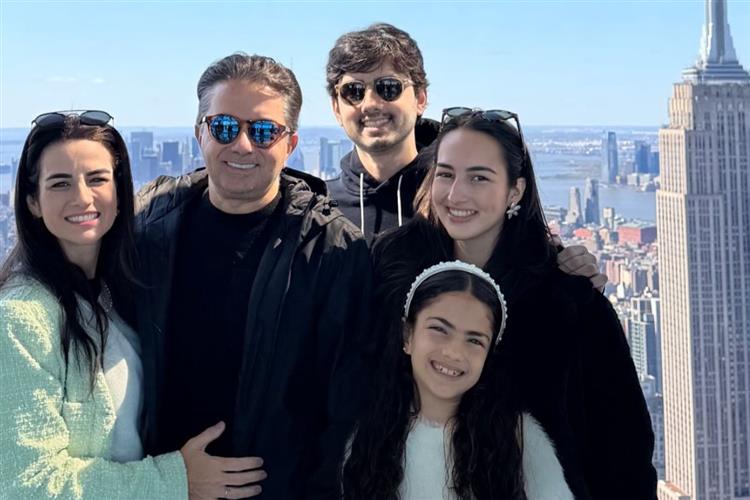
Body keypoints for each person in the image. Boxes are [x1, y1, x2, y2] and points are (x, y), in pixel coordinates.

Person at [371, 108, 657, 499]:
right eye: (446, 174)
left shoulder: (567, 303)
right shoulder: (392, 277)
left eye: (479, 178)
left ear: (515, 191)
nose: (456, 195)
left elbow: (623, 449)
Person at [133, 54, 372, 499]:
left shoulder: (333, 251)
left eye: (263, 131)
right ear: (200, 133)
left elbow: (347, 414)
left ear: (290, 144)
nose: (242, 145)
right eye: (224, 127)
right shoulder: (148, 226)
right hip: (158, 486)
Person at [0, 111, 264, 499]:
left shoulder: (115, 292)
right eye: (60, 183)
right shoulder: (21, 318)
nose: (82, 197)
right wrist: (176, 480)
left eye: (97, 179)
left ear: (120, 194)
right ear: (32, 202)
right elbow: (26, 483)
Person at [325, 23, 606, 289]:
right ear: (337, 109)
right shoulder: (320, 212)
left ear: (420, 99)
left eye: (388, 87)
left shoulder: (460, 199)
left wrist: (574, 282)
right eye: (353, 91)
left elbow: (530, 273)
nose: (370, 104)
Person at [343, 260, 574, 500]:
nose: (454, 353)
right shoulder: (364, 439)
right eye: (439, 329)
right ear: (407, 335)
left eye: (474, 340)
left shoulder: (520, 442)